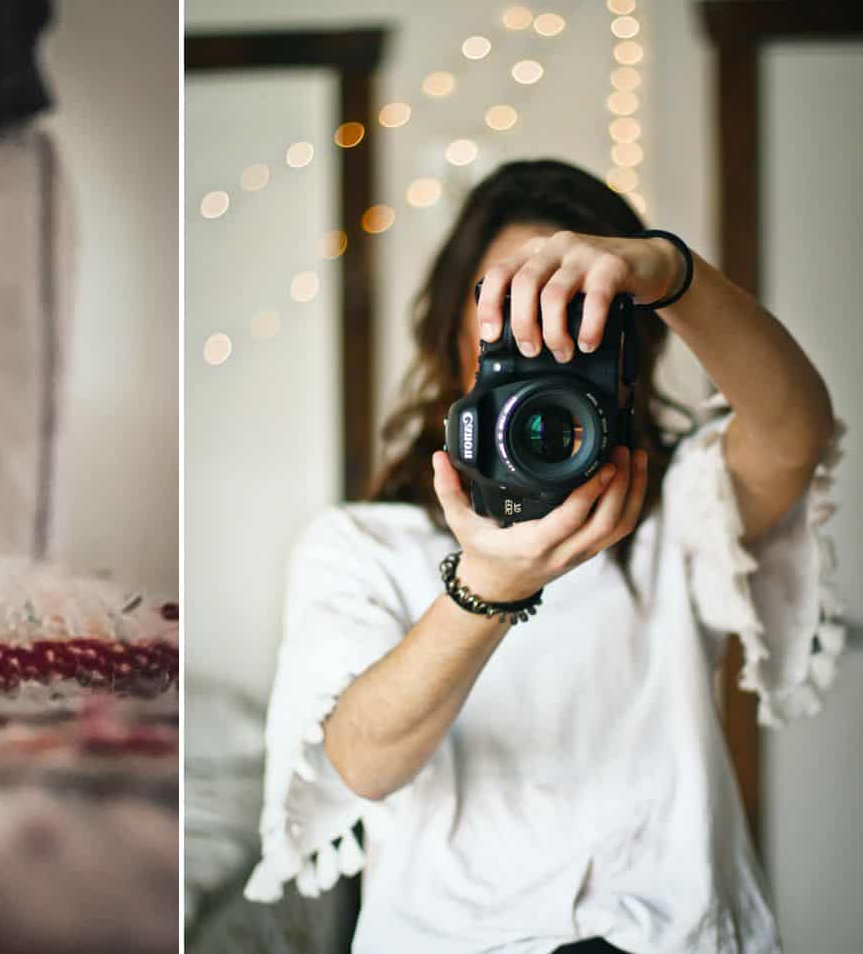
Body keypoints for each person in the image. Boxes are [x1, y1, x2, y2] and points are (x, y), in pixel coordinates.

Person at [244, 160, 844, 953]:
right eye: (509, 304)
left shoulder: (674, 510)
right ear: (453, 331)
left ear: (627, 344)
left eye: (571, 305)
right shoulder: (363, 542)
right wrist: (486, 587)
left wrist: (670, 270)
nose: (542, 333)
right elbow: (358, 761)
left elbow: (795, 432)